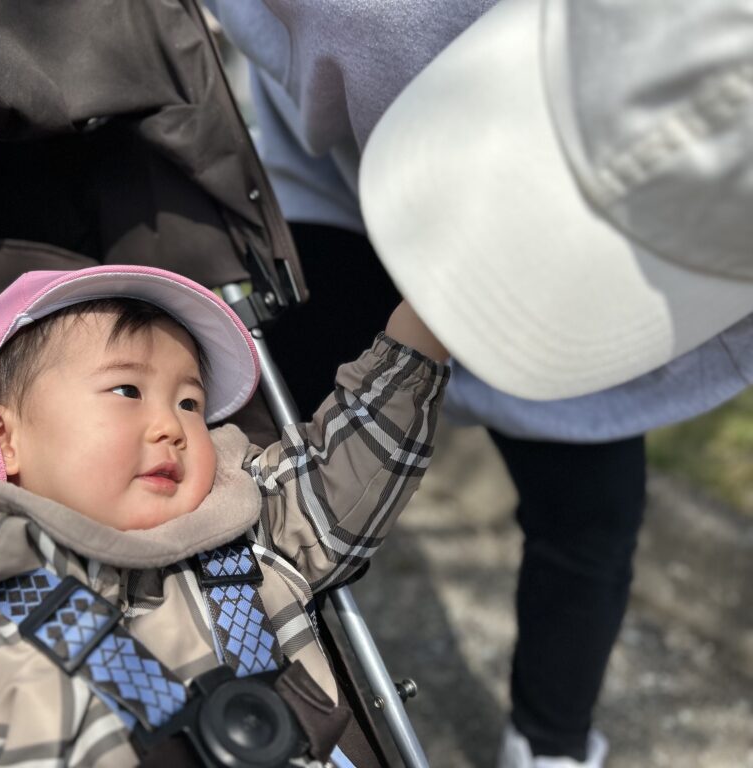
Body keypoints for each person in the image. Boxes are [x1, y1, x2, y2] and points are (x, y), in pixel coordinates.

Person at [206, 1, 752, 766]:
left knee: (591, 517)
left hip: (608, 271)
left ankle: (551, 742)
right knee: (262, 434)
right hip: (356, 173)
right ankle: (209, 622)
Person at [0, 265, 449, 767]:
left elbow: (355, 458)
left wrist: (433, 316)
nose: (172, 426)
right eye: (127, 391)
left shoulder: (249, 530)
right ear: (4, 438)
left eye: (190, 402)